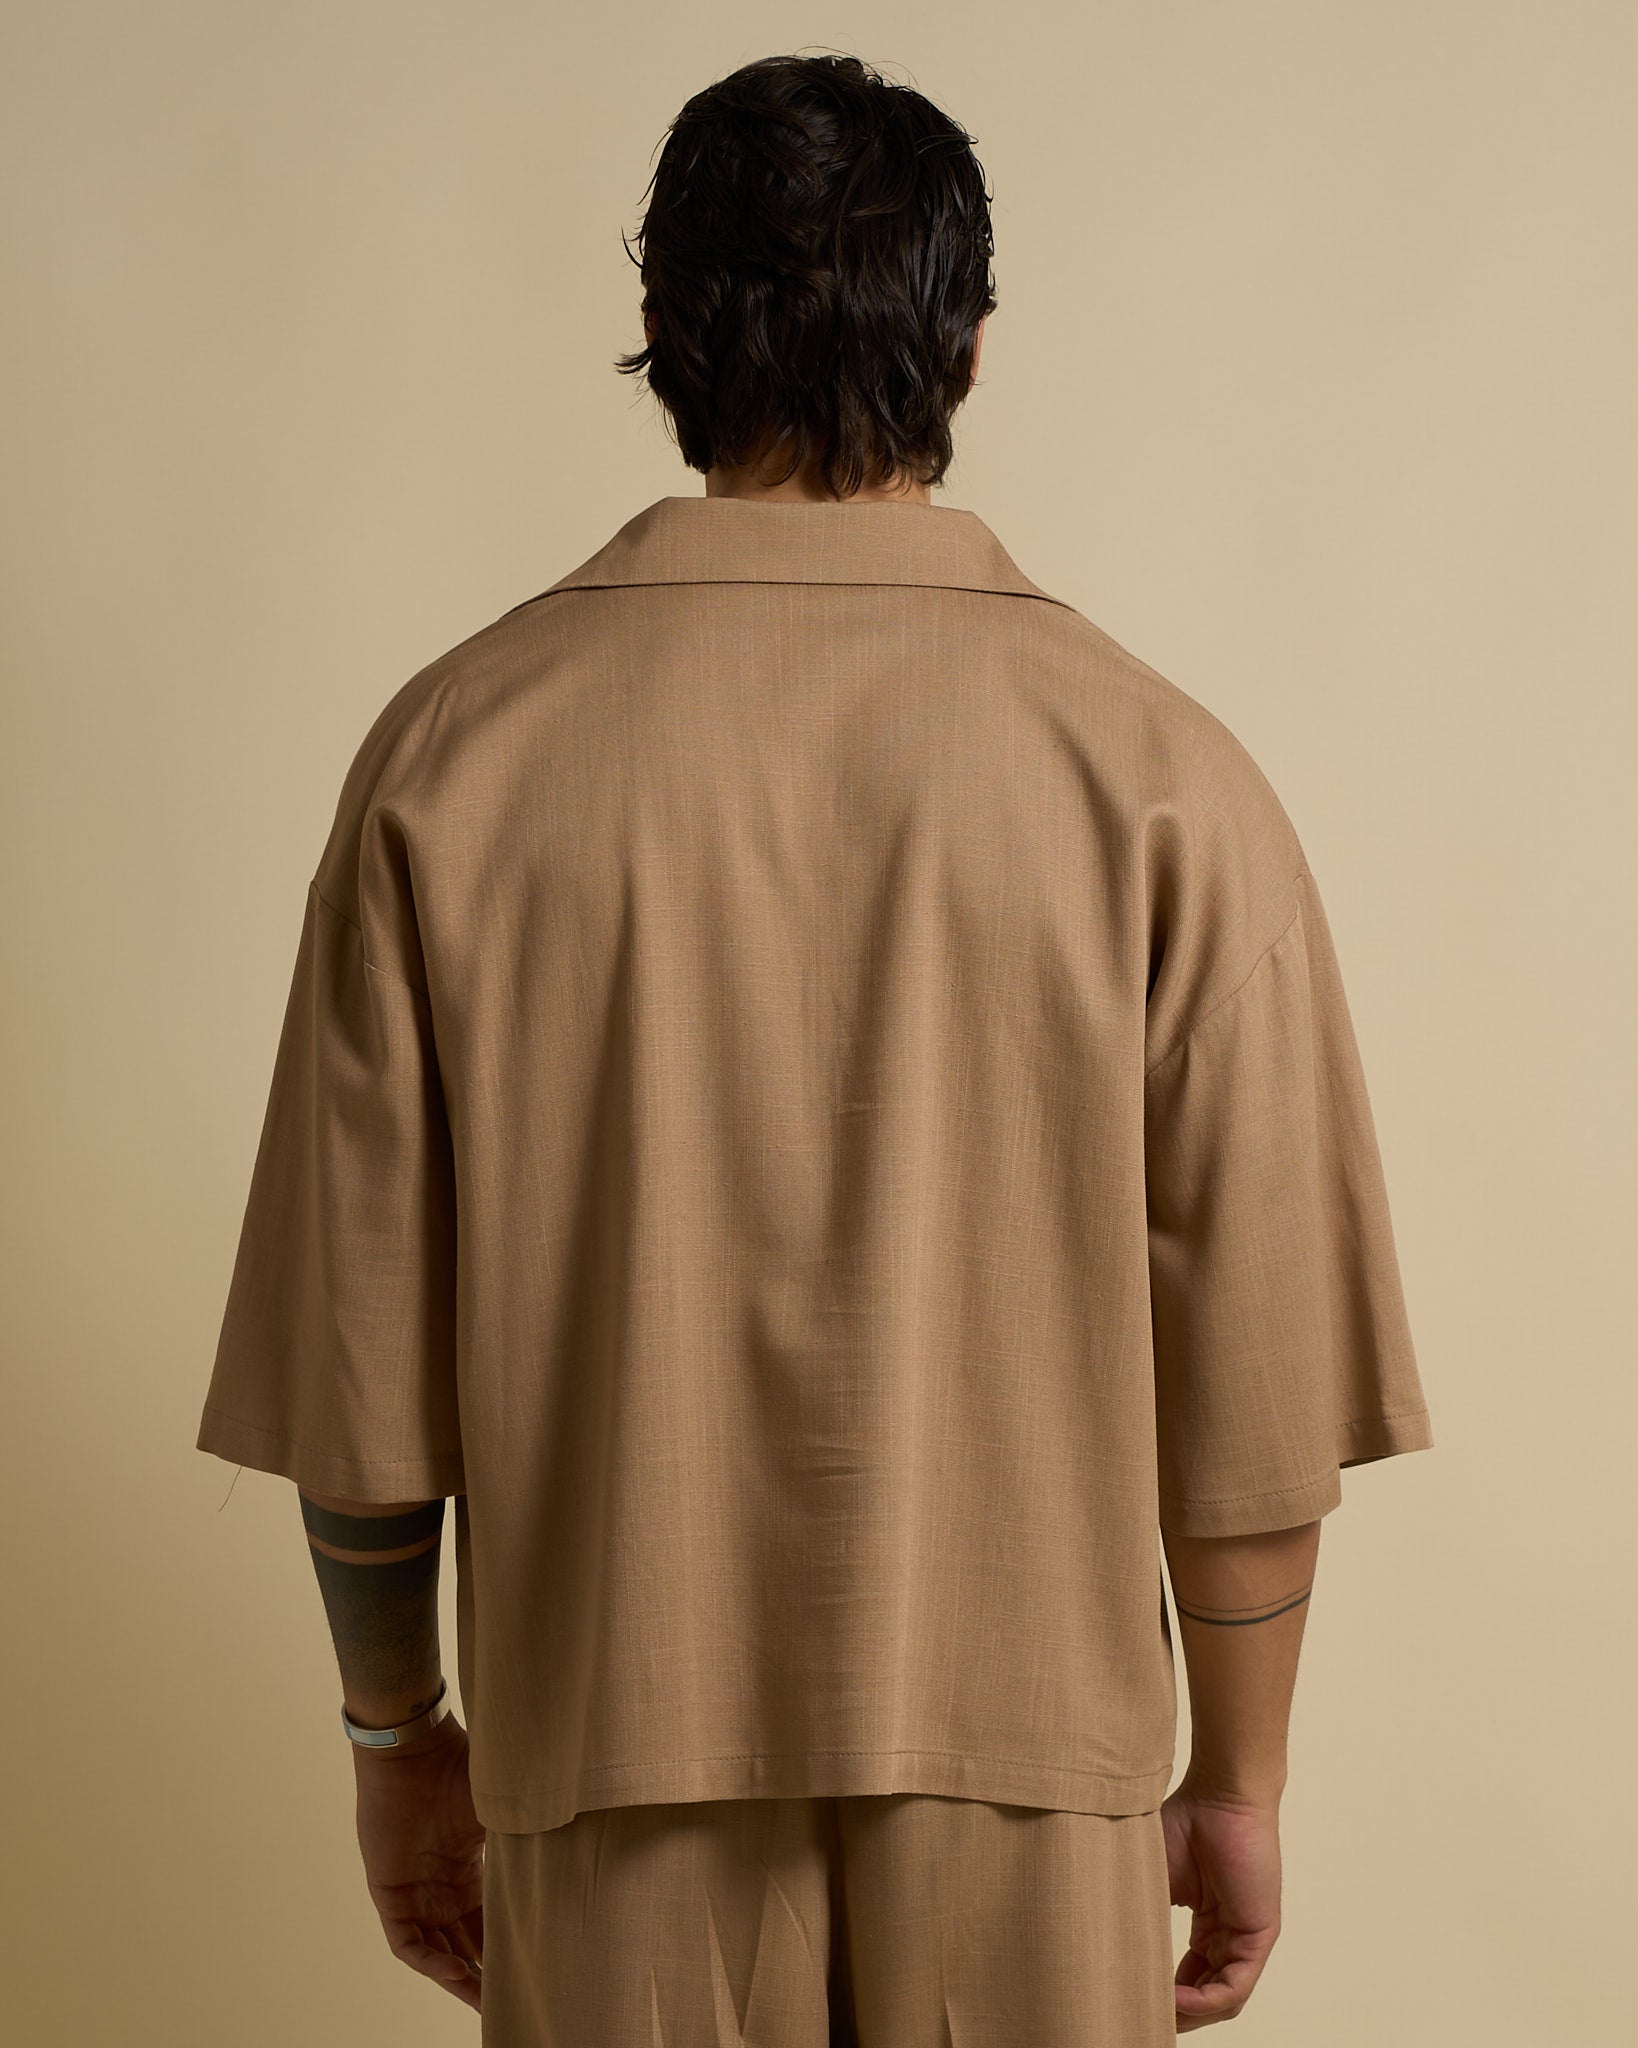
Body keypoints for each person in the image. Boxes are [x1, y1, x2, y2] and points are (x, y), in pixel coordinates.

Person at [196, 50, 1434, 2045]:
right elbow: (1257, 1396)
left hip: (607, 1769)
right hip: (1038, 1787)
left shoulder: (452, 762)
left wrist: (393, 1733)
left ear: (669, 342)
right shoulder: (1164, 781)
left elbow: (361, 1385)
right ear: (966, 341)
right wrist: (1240, 1777)